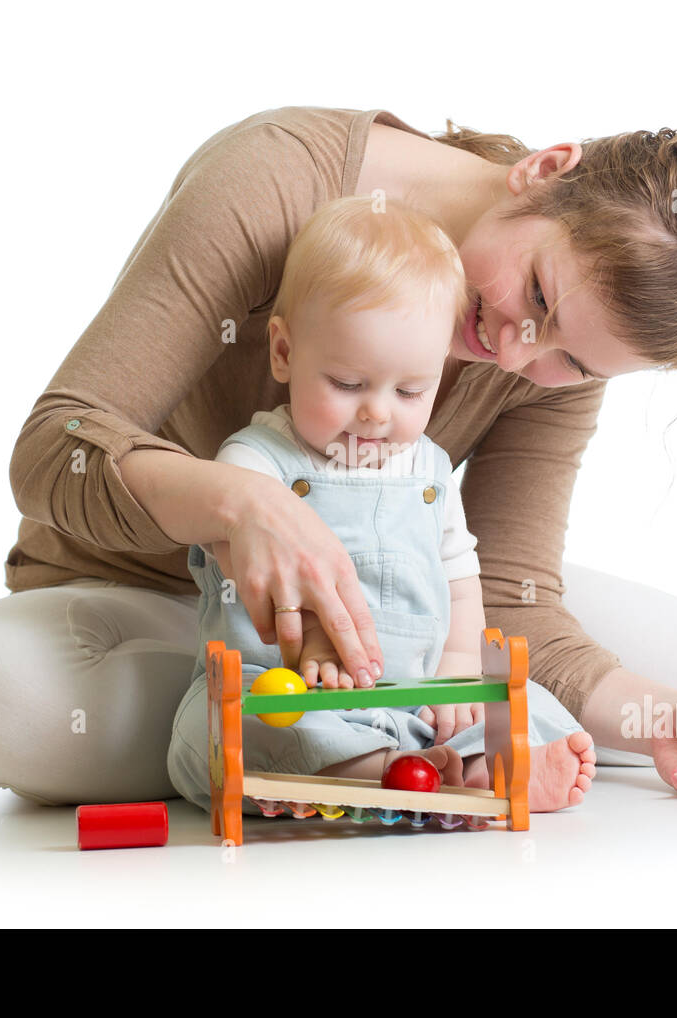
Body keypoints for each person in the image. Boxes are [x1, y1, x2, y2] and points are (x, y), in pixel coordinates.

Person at [0, 106, 677, 808]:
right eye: (535, 297)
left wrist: (651, 719)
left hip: (394, 617)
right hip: (151, 595)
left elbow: (508, 598)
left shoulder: (564, 347)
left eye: (572, 362)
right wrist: (241, 507)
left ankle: (345, 750)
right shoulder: (273, 178)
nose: (517, 353)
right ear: (547, 169)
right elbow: (56, 445)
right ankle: (298, 738)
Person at [166, 196, 597, 816]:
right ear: (284, 352)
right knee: (226, 731)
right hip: (282, 695)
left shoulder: (430, 471)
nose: (376, 412)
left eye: (410, 389)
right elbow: (240, 552)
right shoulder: (254, 463)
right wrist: (311, 645)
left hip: (413, 697)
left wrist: (454, 673)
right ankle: (381, 772)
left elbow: (459, 579)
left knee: (526, 698)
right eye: (347, 384)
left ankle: (479, 767)